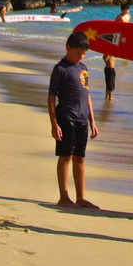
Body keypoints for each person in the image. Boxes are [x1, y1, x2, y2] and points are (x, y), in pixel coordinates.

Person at [48, 31, 99, 208]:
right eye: (78, 53)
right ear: (68, 48)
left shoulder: (83, 68)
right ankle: (64, 196)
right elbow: (51, 98)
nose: (81, 57)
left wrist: (93, 120)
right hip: (66, 117)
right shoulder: (60, 69)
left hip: (82, 119)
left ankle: (81, 197)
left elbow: (87, 94)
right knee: (65, 156)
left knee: (80, 158)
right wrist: (54, 124)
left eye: (84, 54)